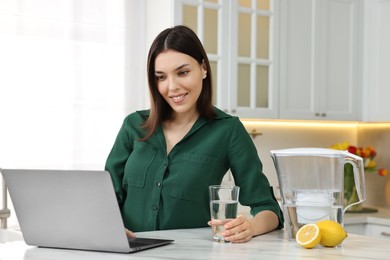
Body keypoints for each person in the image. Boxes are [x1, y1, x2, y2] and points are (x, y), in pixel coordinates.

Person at [105, 25, 283, 243]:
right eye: (161, 77)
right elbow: (106, 198)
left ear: (203, 69)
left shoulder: (228, 130)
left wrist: (251, 226)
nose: (172, 87)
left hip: (190, 253)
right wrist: (110, 228)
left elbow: (268, 208)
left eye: (183, 72)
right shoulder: (133, 125)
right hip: (128, 253)